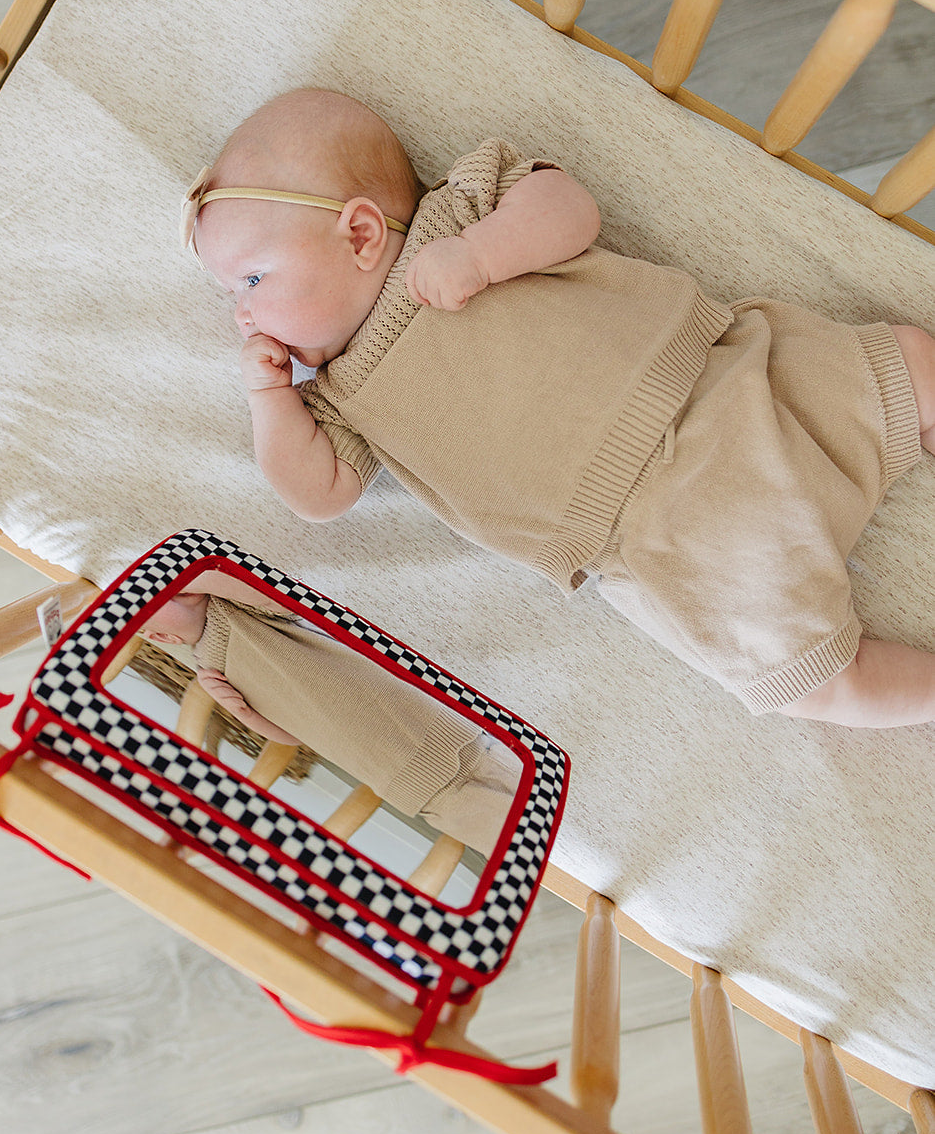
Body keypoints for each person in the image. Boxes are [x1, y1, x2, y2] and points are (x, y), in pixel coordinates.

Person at [182, 87, 935, 729]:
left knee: (907, 360)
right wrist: (269, 399)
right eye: (228, 296)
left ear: (360, 232)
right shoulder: (341, 397)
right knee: (814, 680)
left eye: (249, 280)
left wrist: (483, 254)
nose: (241, 316)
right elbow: (318, 496)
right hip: (667, 540)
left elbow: (567, 207)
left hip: (725, 377)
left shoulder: (456, 218)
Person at [140, 569, 522, 858]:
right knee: (521, 844)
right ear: (161, 639)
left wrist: (200, 577)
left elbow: (276, 598)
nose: (163, 586)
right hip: (414, 789)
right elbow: (293, 735)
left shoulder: (230, 605)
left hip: (445, 736)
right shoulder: (210, 673)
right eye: (148, 598)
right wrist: (243, 714)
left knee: (539, 804)